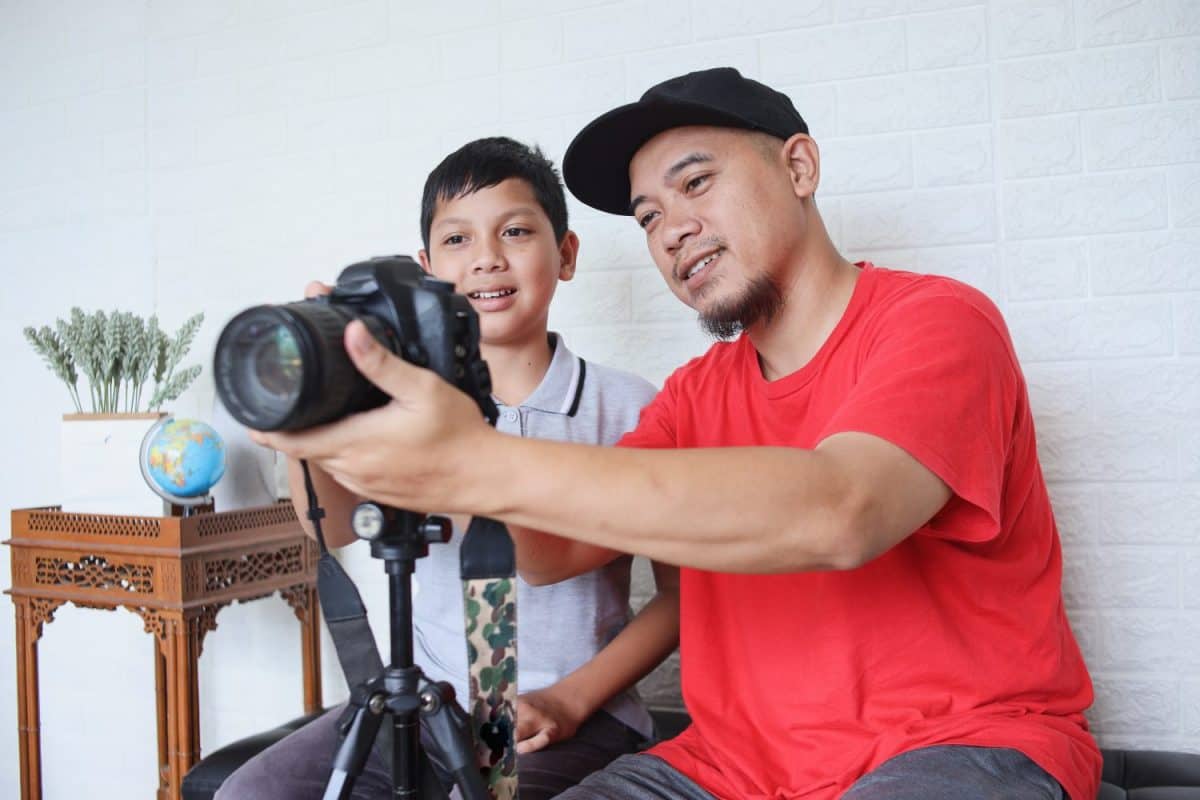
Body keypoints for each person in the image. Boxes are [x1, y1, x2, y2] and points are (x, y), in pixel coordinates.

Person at [254, 68, 1102, 800]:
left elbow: (842, 512)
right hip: (725, 767)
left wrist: (477, 460)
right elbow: (550, 553)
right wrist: (385, 424)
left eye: (696, 185)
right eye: (649, 216)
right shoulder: (695, 396)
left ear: (799, 166)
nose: (672, 230)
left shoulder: (937, 323)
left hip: (959, 746)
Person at [220, 137, 680, 800]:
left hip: (567, 715)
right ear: (427, 270)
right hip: (424, 702)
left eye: (516, 231)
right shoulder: (397, 404)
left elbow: (680, 597)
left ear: (567, 254)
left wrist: (574, 699)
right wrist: (314, 414)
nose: (487, 258)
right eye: (457, 240)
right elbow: (337, 526)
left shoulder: (629, 406)